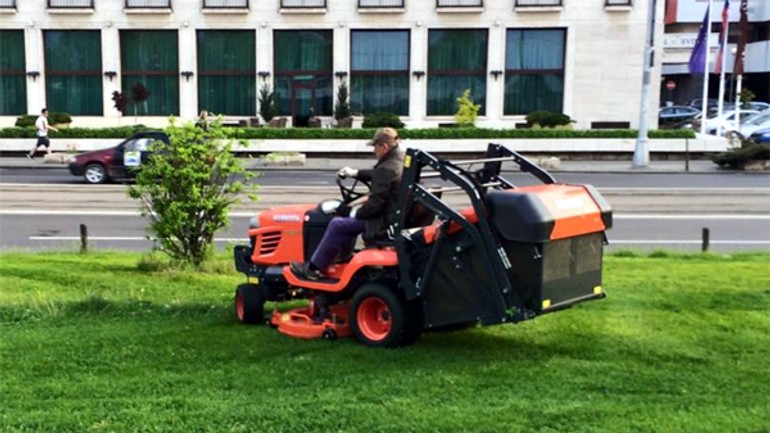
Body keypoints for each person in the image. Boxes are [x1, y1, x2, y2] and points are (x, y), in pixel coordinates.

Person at [290, 127, 404, 281]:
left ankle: (314, 268)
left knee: (337, 224)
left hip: (381, 222)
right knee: (345, 219)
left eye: (374, 147)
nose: (373, 151)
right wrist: (355, 173)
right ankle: (340, 257)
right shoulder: (399, 160)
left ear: (383, 147)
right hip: (393, 215)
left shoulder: (387, 168)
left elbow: (374, 206)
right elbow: (379, 176)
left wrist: (350, 211)